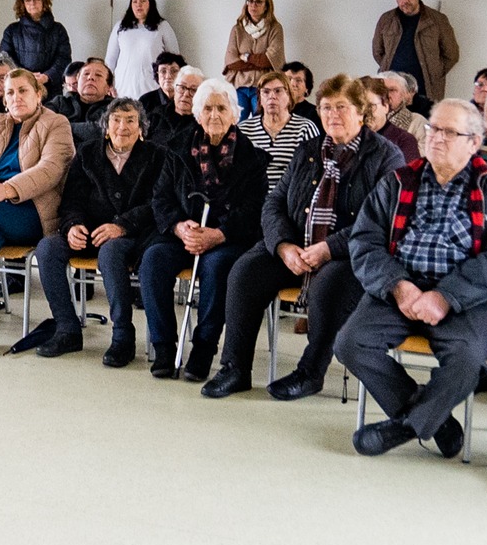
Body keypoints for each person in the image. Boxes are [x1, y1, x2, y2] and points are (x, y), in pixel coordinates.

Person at [338, 98, 487, 460]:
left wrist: (444, 297)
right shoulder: (400, 180)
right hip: (401, 288)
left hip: (465, 298)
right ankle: (437, 422)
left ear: (474, 142)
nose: (435, 138)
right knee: (350, 342)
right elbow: (365, 240)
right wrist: (398, 284)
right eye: (432, 129)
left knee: (467, 359)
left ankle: (405, 426)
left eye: (448, 132)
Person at [203, 75, 401, 400]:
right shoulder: (309, 149)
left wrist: (328, 248)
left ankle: (311, 373)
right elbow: (274, 202)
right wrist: (282, 245)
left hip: (351, 256)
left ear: (361, 111)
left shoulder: (385, 156)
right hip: (296, 246)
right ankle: (235, 368)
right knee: (244, 272)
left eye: (342, 107)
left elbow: (381, 222)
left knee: (328, 285)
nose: (332, 115)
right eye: (325, 107)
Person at [137, 78, 270, 381]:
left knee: (218, 266)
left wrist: (219, 234)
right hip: (184, 234)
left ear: (234, 114)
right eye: (207, 108)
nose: (214, 115)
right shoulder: (177, 150)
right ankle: (164, 347)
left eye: (221, 108)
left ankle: (203, 350)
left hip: (227, 237)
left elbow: (254, 210)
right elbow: (161, 197)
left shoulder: (252, 158)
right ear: (197, 114)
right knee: (153, 260)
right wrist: (179, 226)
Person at [29, 99, 181, 362]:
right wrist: (73, 225)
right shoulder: (87, 154)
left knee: (110, 253)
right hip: (90, 230)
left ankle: (123, 336)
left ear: (141, 128)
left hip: (134, 234)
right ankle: (67, 329)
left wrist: (122, 225)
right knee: (47, 248)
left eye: (130, 120)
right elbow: (72, 200)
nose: (123, 126)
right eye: (116, 120)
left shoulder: (158, 155)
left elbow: (158, 203)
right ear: (106, 127)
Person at [0, 68, 75, 353]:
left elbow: (50, 170)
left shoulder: (56, 123)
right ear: (4, 100)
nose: (16, 97)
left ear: (38, 94)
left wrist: (3, 190)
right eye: (10, 92)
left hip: (32, 212)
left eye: (23, 90)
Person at [369, 0, 461, 101]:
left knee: (424, 121)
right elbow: (377, 52)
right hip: (392, 90)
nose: (404, 1)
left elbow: (451, 54)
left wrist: (434, 73)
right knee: (392, 121)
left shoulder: (438, 20)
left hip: (426, 90)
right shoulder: (386, 20)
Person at [237, 70, 320, 188]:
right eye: (265, 92)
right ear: (259, 98)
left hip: (290, 199)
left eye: (278, 91)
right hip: (254, 200)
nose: (272, 96)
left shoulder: (305, 128)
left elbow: (312, 173)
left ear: (289, 96)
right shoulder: (244, 130)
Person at [107, 0, 182, 100]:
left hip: (152, 86)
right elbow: (110, 60)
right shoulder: (120, 27)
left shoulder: (162, 26)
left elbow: (175, 59)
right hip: (123, 86)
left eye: (143, 1)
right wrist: (108, 84)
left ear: (150, 4)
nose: (139, 5)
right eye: (135, 1)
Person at [0, 0, 74, 95]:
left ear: (44, 1)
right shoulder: (12, 31)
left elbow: (63, 58)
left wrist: (46, 76)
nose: (32, 3)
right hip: (19, 89)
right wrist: (25, 76)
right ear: (22, 4)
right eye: (28, 0)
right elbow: (5, 58)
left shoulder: (58, 30)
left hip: (51, 90)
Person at [223, 0, 285, 93]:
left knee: (260, 109)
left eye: (258, 2)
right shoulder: (237, 29)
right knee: (238, 109)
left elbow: (271, 59)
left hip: (265, 86)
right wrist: (258, 64)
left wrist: (246, 57)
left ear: (266, 6)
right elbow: (231, 62)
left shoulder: (275, 28)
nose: (253, 5)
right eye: (250, 1)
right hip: (240, 85)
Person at [145, 64, 207, 153]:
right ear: (174, 89)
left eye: (193, 90)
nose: (185, 94)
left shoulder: (203, 125)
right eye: (182, 87)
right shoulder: (156, 116)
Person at [359, 76, 420, 164]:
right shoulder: (347, 138)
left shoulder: (404, 141)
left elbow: (409, 176)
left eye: (370, 106)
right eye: (359, 107)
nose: (365, 112)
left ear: (385, 106)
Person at [47, 56, 114, 128]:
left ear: (108, 87)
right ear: (78, 80)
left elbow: (99, 132)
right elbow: (43, 125)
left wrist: (61, 127)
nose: (90, 77)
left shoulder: (114, 108)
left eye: (98, 75)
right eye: (86, 74)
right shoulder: (59, 102)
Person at [137, 50, 188, 119]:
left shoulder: (188, 99)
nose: (168, 76)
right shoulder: (145, 101)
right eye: (163, 71)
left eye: (174, 71)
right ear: (157, 75)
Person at [284, 62, 320, 127]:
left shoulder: (315, 114)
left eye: (298, 80)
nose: (292, 84)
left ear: (307, 88)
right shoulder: (273, 109)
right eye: (288, 79)